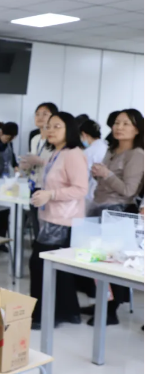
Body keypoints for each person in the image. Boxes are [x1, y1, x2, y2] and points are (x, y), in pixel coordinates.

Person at [82, 109, 144, 326]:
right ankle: (101, 302)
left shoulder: (137, 154)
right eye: (117, 123)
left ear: (137, 129)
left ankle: (111, 311)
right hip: (100, 207)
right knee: (96, 260)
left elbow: (129, 191)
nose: (119, 127)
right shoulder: (112, 150)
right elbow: (106, 181)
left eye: (126, 124)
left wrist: (106, 174)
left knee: (112, 263)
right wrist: (99, 174)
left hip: (119, 213)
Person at [29, 112, 88, 330]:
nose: (50, 130)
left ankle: (45, 314)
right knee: (58, 270)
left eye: (57, 126)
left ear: (69, 129)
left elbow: (81, 188)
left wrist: (51, 194)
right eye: (48, 126)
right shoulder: (56, 152)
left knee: (40, 265)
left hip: (64, 219)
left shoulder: (73, 154)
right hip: (52, 217)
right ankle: (68, 312)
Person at [21, 102, 58, 237]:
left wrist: (40, 161)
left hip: (49, 188)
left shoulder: (55, 139)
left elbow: (59, 163)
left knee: (48, 229)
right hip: (34, 185)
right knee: (36, 225)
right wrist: (26, 166)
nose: (40, 117)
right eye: (37, 114)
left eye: (45, 114)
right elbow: (33, 161)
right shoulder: (35, 138)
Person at [0, 122, 19, 246]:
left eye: (10, 139)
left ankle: (0, 242)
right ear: (1, 132)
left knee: (4, 211)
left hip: (4, 180)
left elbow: (12, 157)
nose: (7, 140)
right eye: (6, 137)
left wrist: (16, 166)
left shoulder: (9, 144)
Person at [80, 119, 108, 208]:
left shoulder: (88, 152)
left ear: (84, 134)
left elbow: (83, 177)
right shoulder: (106, 147)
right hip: (104, 193)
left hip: (91, 194)